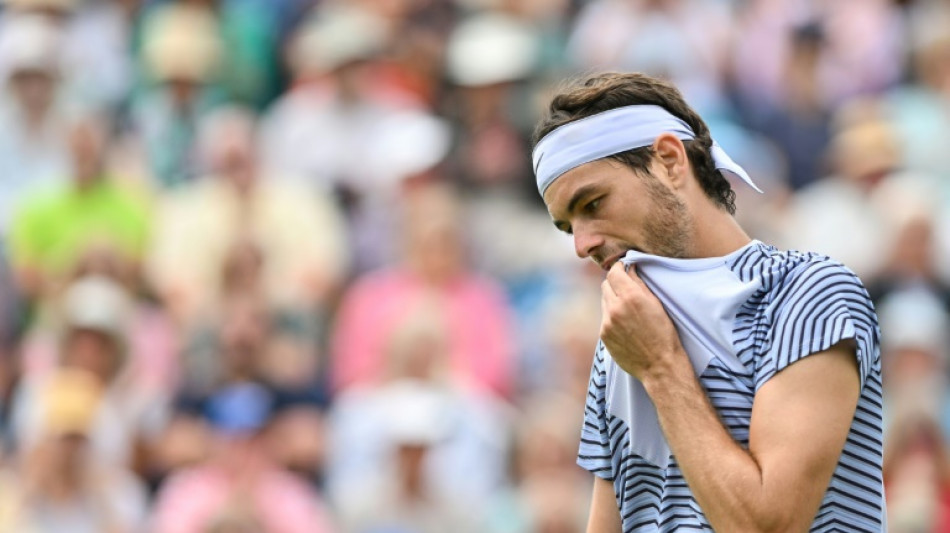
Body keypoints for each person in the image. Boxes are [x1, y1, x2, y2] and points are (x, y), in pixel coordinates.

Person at [531, 72, 883, 531]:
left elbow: (768, 527)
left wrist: (661, 368)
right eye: (567, 226)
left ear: (670, 160)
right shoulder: (627, 330)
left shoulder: (810, 291)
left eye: (593, 203)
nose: (582, 244)